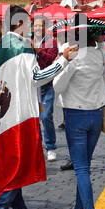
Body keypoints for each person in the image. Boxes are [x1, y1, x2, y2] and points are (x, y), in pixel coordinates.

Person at [0, 7, 76, 209]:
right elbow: (38, 78)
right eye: (28, 24)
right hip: (21, 114)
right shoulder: (22, 45)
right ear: (19, 24)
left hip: (3, 115)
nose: (32, 28)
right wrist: (62, 61)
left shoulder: (0, 47)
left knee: (11, 163)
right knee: (19, 164)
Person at [51, 15, 105, 209]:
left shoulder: (74, 57)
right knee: (84, 166)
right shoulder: (98, 54)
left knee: (80, 168)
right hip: (96, 116)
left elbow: (57, 87)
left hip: (76, 116)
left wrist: (63, 60)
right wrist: (102, 44)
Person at [37, 27, 60, 162]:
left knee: (46, 116)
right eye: (35, 26)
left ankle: (50, 147)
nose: (38, 28)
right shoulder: (27, 41)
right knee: (35, 119)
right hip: (33, 86)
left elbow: (51, 59)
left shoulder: (51, 42)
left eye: (41, 26)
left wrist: (39, 52)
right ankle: (37, 146)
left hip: (47, 84)